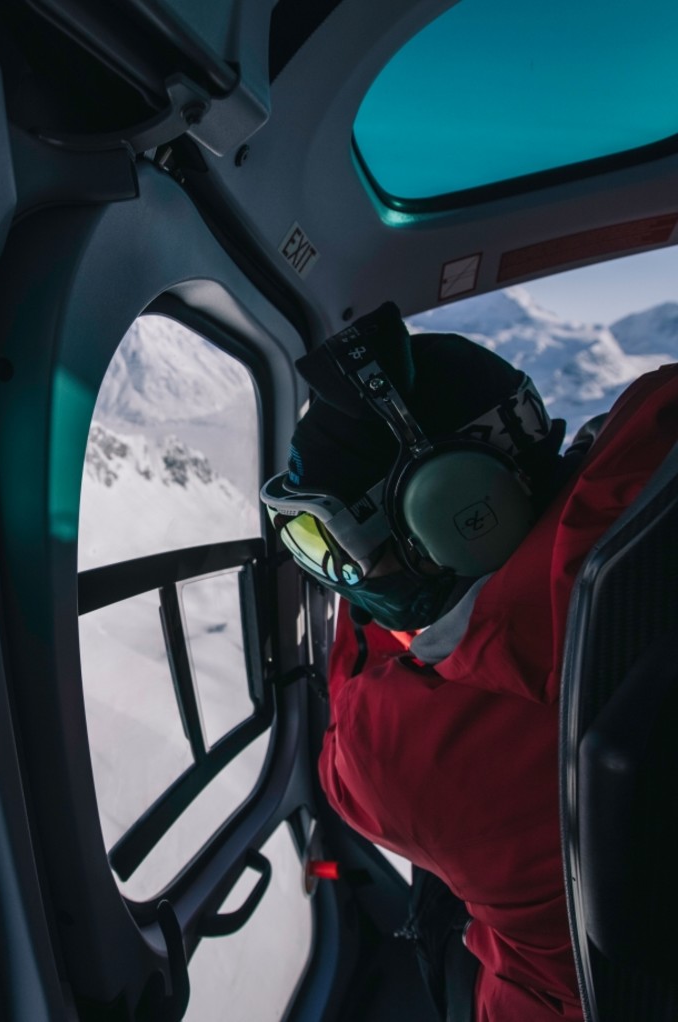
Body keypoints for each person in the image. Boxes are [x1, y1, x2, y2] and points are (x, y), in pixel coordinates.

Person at [260, 302, 678, 1022]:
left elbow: (343, 772)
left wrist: (370, 610)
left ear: (457, 510)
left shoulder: (411, 749)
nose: (346, 577)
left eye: (339, 546)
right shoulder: (659, 466)